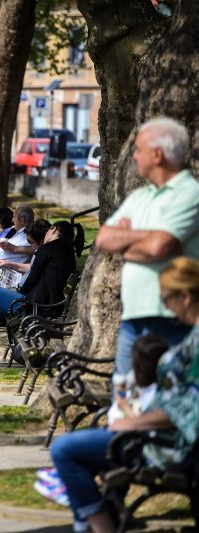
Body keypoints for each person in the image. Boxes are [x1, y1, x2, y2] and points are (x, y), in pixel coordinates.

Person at [48, 257, 199, 533]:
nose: (165, 307)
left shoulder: (195, 345)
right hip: (158, 435)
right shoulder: (192, 339)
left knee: (64, 450)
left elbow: (188, 413)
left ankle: (99, 527)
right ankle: (93, 523)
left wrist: (132, 423)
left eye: (167, 299)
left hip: (167, 447)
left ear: (186, 296)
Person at [95, 117, 199, 382]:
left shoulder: (190, 193)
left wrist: (127, 240)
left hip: (172, 317)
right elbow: (104, 238)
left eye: (138, 150)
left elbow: (159, 246)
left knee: (168, 397)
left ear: (157, 154)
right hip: (133, 315)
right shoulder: (140, 196)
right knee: (125, 397)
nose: (134, 158)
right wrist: (148, 237)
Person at [35, 334, 168, 522]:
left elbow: (141, 418)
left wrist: (126, 410)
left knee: (65, 451)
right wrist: (123, 401)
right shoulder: (140, 385)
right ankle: (81, 507)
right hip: (119, 436)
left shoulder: (156, 393)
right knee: (75, 459)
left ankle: (77, 505)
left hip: (128, 441)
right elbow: (122, 396)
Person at [0, 220, 76, 367]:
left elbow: (30, 281)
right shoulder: (68, 251)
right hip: (47, 305)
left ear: (53, 229)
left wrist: (15, 290)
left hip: (35, 306)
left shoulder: (47, 249)